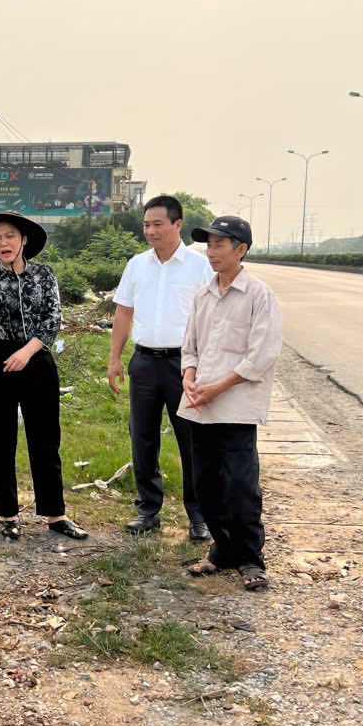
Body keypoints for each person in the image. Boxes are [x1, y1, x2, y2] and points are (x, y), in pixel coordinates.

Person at [0, 212, 88, 541]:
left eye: (9, 236)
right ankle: (7, 515)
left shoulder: (43, 275)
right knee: (0, 438)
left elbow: (52, 320)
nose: (3, 243)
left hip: (35, 359)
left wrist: (26, 352)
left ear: (23, 240)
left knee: (45, 439)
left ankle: (56, 515)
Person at [178, 216, 283, 591]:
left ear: (241, 249)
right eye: (209, 244)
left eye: (220, 244)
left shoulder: (258, 295)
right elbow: (189, 346)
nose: (212, 252)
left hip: (236, 406)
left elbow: (261, 356)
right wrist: (190, 377)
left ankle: (252, 559)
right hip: (199, 404)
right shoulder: (202, 294)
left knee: (241, 484)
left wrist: (218, 387)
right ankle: (222, 550)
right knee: (204, 482)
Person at [108, 195, 213, 540]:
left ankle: (199, 516)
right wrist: (115, 358)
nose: (150, 231)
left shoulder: (199, 267)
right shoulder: (137, 265)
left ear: (177, 225)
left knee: (192, 440)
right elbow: (123, 312)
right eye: (146, 224)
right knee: (143, 437)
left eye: (158, 224)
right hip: (145, 362)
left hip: (185, 365)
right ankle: (148, 510)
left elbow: (213, 317)